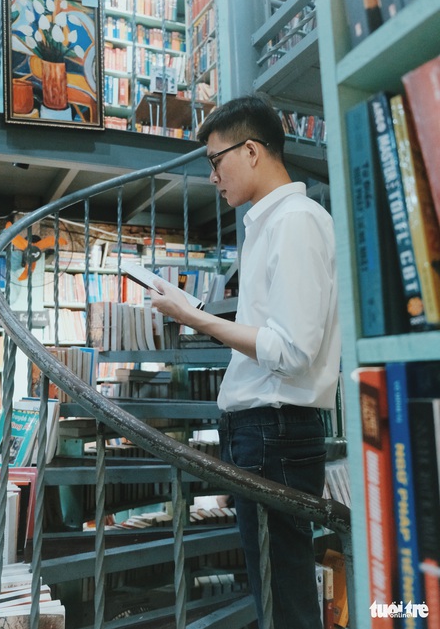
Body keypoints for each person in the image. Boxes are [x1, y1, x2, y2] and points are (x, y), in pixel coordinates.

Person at [149, 94, 341, 629]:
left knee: (285, 602)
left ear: (251, 151)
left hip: (274, 432)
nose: (212, 176)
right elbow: (274, 334)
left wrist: (195, 319)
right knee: (274, 596)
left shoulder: (295, 222)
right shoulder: (270, 224)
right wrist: (194, 310)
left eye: (216, 160)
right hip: (263, 432)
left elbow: (291, 350)